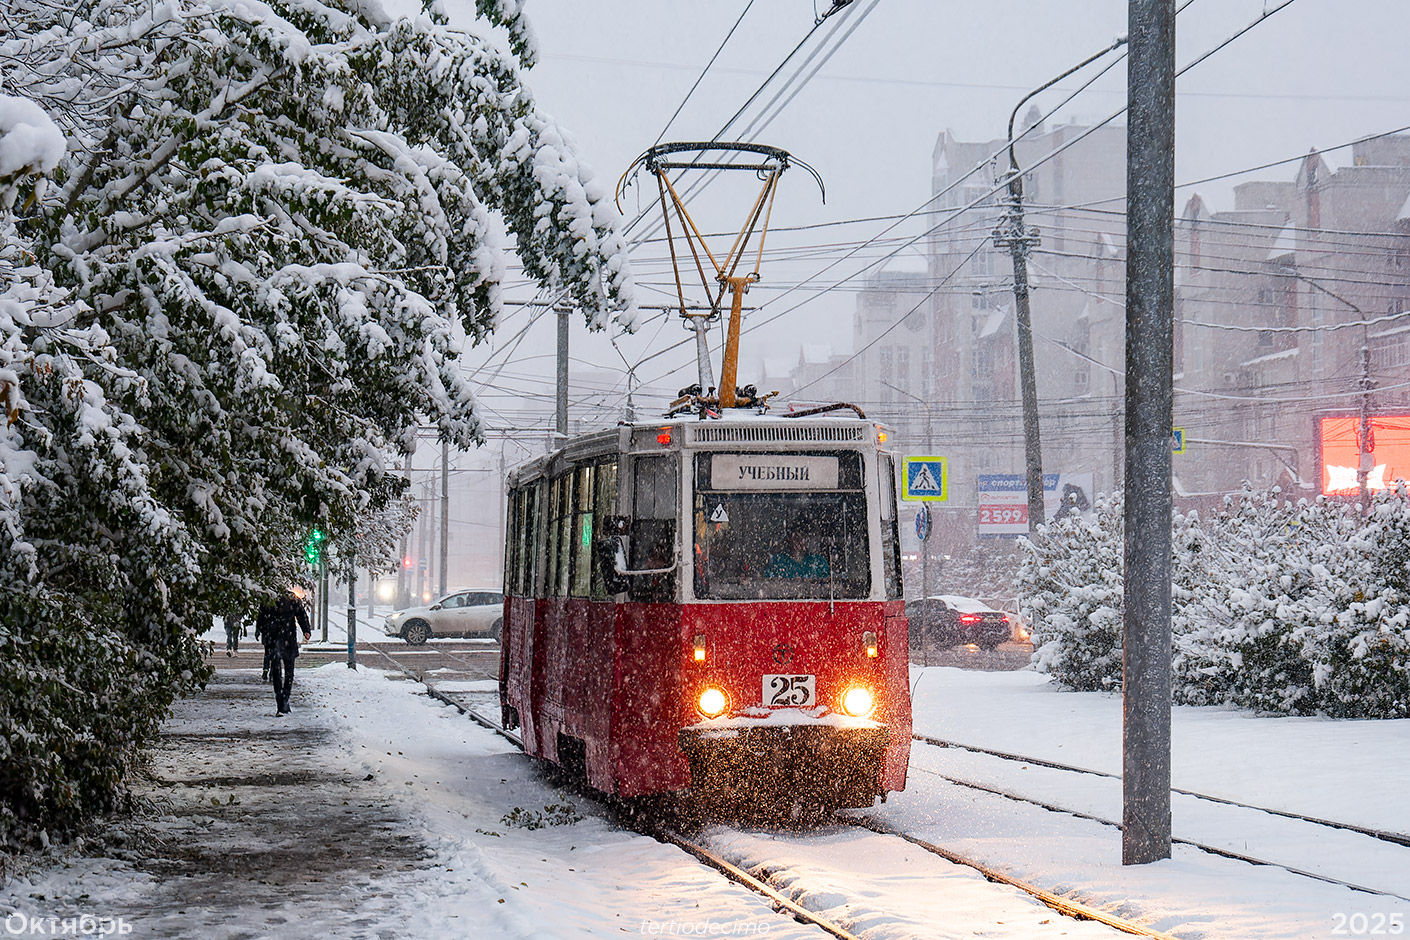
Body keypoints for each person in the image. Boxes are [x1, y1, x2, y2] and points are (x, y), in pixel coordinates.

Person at [255, 590, 312, 716]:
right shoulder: (291, 598)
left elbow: (261, 618)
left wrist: (263, 631)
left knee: (278, 672)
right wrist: (306, 630)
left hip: (275, 638)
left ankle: (281, 700)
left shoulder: (269, 598)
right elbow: (301, 615)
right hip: (286, 638)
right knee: (287, 671)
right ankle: (284, 699)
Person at [765, 529, 829, 579]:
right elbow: (767, 584)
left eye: (801, 536)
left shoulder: (819, 562)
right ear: (789, 538)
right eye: (794, 537)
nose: (797, 541)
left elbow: (828, 584)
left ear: (808, 539)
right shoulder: (778, 561)